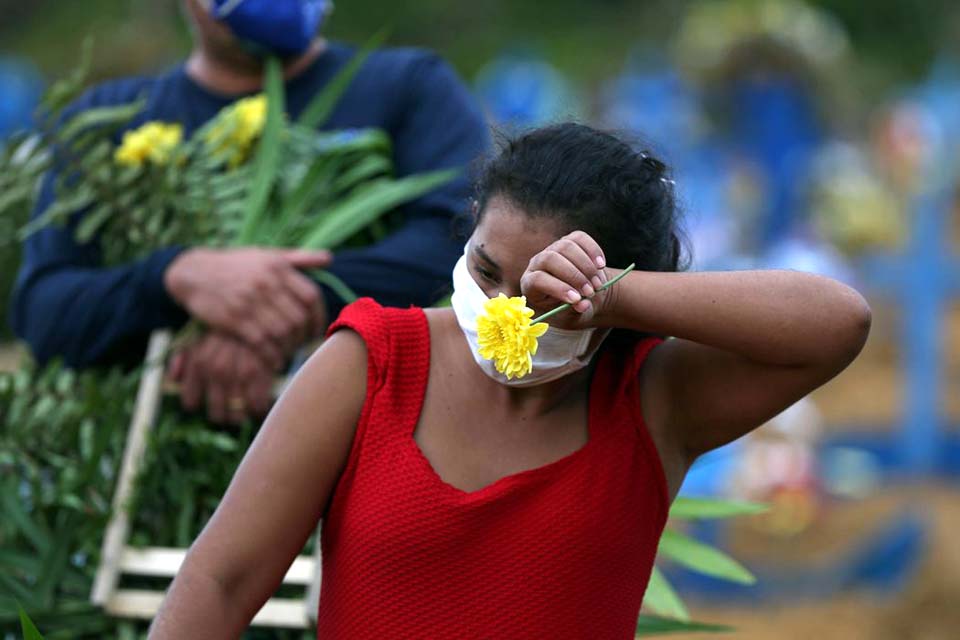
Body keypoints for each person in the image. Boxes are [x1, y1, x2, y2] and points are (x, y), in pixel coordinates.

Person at [148, 123, 871, 639]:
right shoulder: (371, 364)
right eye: (487, 271)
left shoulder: (653, 400)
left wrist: (618, 297)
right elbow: (221, 580)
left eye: (539, 298)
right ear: (471, 229)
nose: (501, 311)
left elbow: (840, 322)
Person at [10, 0, 490, 424]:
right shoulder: (106, 122)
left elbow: (464, 249)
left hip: (364, 449)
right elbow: (44, 312)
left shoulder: (409, 88)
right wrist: (174, 278)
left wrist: (269, 299)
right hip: (140, 458)